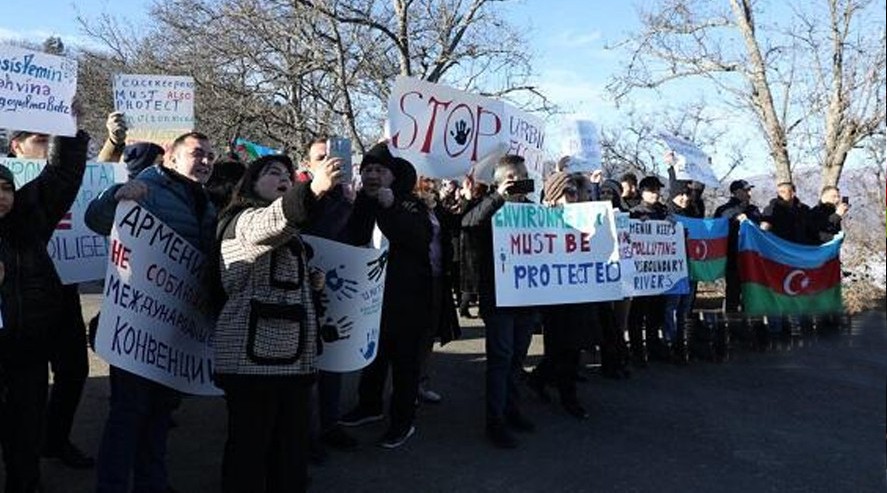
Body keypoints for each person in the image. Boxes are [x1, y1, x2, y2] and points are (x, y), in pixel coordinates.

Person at [87, 131, 218, 493]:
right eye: (197, 153)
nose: (206, 160)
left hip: (174, 327)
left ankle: (152, 483)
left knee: (160, 413)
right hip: (137, 323)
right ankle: (111, 486)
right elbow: (95, 218)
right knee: (128, 413)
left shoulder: (205, 202)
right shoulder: (147, 186)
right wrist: (116, 197)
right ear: (171, 159)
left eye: (210, 155)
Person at [214, 154, 340, 493]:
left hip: (290, 363)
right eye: (272, 173)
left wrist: (308, 282)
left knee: (289, 452)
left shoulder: (291, 233)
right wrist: (312, 188)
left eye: (287, 173)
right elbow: (272, 222)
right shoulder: (242, 221)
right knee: (250, 454)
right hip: (252, 365)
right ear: (250, 185)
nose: (283, 177)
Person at [339, 143, 452, 449]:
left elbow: (418, 240)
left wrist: (390, 208)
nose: (373, 175)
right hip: (372, 300)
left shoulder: (411, 205)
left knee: (405, 367)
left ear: (393, 175)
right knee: (373, 359)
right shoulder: (361, 201)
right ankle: (370, 406)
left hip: (410, 302)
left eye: (380, 170)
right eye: (369, 169)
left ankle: (403, 422)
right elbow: (353, 238)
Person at [0, 130, 89, 493]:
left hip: (27, 353)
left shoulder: (28, 222)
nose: (1, 197)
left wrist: (69, 129)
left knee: (25, 435)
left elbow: (60, 176)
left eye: (5, 189)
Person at [461, 155, 537, 449]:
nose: (522, 181)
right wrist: (498, 198)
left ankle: (512, 410)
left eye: (525, 175)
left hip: (528, 297)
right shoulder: (490, 207)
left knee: (517, 358)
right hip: (499, 297)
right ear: (502, 181)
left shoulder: (533, 211)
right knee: (501, 359)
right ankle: (495, 421)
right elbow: (468, 225)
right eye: (515, 178)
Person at [528, 172, 594, 419]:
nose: (575, 197)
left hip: (579, 290)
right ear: (554, 196)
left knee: (572, 346)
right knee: (559, 347)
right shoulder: (542, 220)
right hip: (554, 294)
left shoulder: (586, 219)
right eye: (569, 192)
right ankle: (568, 396)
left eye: (577, 192)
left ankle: (541, 380)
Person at [628, 176, 669, 365]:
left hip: (660, 270)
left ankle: (653, 346)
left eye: (657, 190)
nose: (655, 193)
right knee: (638, 312)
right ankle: (637, 350)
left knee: (656, 311)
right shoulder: (634, 212)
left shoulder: (663, 212)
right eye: (651, 190)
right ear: (642, 192)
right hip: (641, 271)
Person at [714, 180, 763, 313]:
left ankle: (750, 324)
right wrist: (735, 219)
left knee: (751, 293)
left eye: (749, 190)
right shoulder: (724, 210)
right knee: (733, 293)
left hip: (752, 258)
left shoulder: (754, 210)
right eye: (746, 190)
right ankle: (731, 324)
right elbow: (717, 230)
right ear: (736, 192)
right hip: (733, 257)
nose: (749, 193)